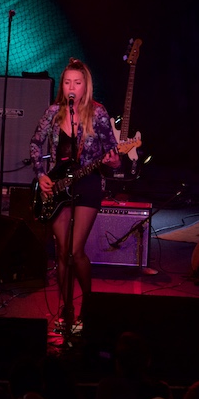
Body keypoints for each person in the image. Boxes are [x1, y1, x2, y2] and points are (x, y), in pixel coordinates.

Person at [28, 59, 120, 332]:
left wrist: (114, 163)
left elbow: (111, 151)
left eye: (77, 83)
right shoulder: (54, 112)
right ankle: (65, 309)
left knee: (76, 250)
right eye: (67, 82)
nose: (71, 87)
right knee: (61, 250)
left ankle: (89, 308)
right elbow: (35, 142)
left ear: (85, 86)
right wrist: (40, 174)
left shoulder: (98, 113)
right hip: (57, 185)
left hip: (88, 183)